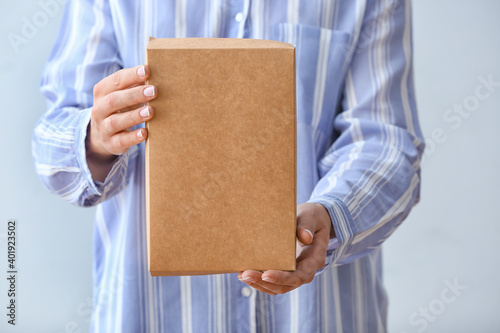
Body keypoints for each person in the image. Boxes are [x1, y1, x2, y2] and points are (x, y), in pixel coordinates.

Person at [33, 0, 424, 332]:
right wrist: (98, 137)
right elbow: (52, 144)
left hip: (317, 313)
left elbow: (385, 139)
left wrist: (334, 214)